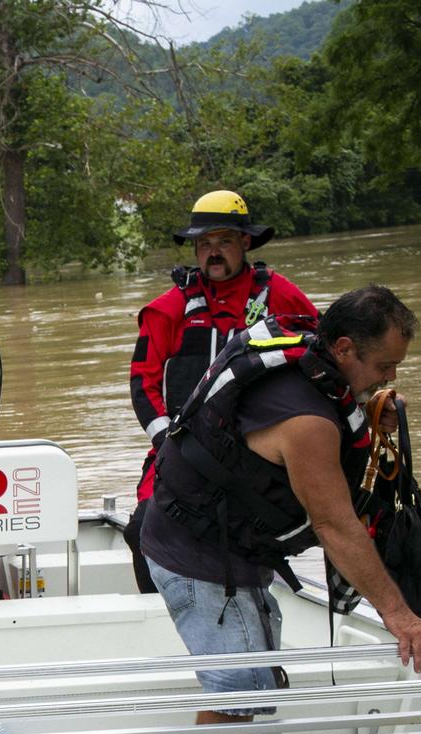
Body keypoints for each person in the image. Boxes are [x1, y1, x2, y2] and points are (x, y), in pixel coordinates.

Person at [142, 284, 421, 734]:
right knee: (236, 697)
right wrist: (399, 615)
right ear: (344, 348)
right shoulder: (308, 423)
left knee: (247, 688)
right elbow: (335, 527)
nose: (388, 378)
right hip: (199, 559)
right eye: (384, 366)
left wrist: (365, 409)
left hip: (197, 533)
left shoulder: (306, 353)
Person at [125, 190, 318, 593]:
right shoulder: (168, 309)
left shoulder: (282, 296)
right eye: (204, 244)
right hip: (180, 446)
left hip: (258, 448)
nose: (213, 253)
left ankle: (259, 597)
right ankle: (166, 622)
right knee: (142, 529)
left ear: (245, 243)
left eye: (223, 242)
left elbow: (327, 356)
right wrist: (166, 441)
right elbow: (143, 383)